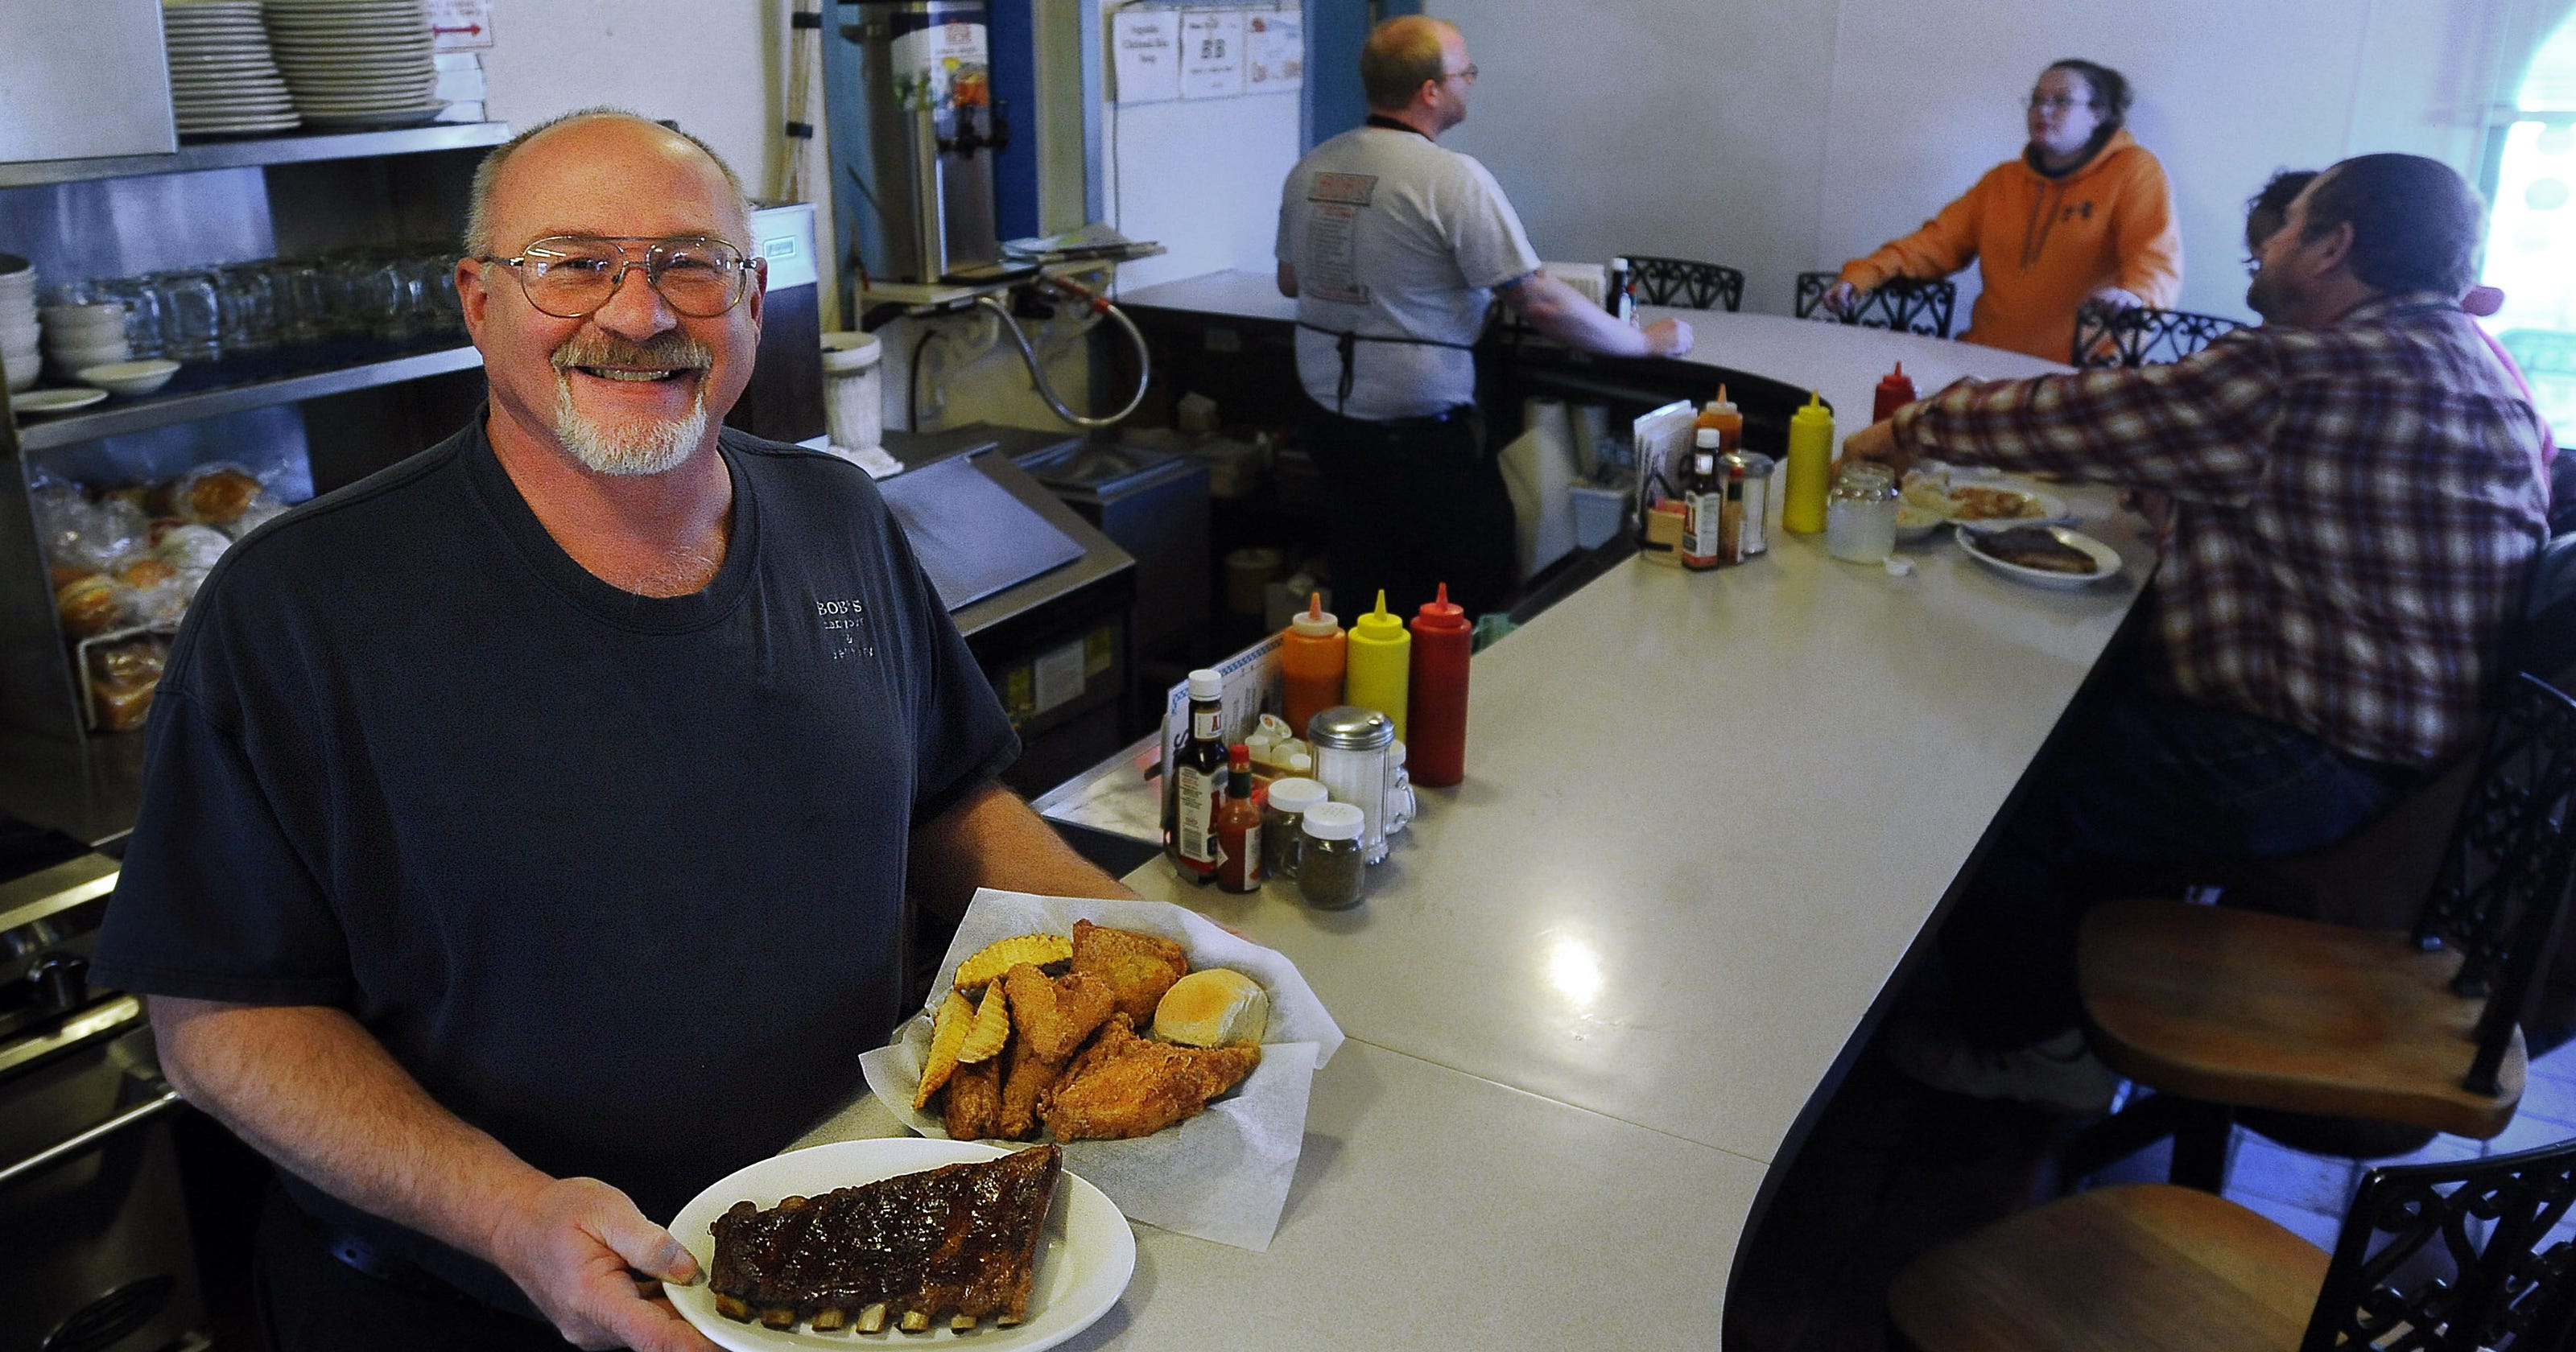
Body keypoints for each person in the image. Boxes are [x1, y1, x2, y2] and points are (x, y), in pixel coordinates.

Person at [90, 109, 1134, 1352]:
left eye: (691, 263)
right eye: (575, 263)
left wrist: (1144, 946)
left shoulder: (834, 517)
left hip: (841, 1257)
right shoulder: (299, 609)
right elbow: (217, 1022)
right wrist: (511, 1215)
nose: (639, 316)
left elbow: (947, 804)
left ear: (750, 298)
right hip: (462, 1305)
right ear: (479, 301)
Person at [1840, 153, 2550, 1114]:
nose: (2265, 250)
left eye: (2290, 227)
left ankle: (2036, 1049)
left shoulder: (2302, 369)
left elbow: (2083, 414)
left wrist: (1912, 427)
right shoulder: (2477, 365)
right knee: (2057, 698)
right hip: (2414, 776)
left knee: (1990, 778)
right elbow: (2314, 517)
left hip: (2305, 764)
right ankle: (2062, 971)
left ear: (2335, 245)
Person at [1274, 14, 1692, 620]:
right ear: (1430, 91)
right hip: (1420, 442)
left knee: (1365, 587)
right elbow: (1539, 301)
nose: (1471, 81)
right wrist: (1642, 343)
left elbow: (1292, 280)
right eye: (1464, 72)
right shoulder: (1450, 178)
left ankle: (1372, 705)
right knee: (1469, 586)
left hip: (1331, 429)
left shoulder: (1312, 167)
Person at [1822, 60, 2182, 364]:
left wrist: (2135, 296)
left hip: (2078, 376)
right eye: (2036, 100)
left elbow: (2156, 260)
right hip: (1986, 364)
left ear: (2099, 115)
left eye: (2061, 101)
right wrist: (1863, 275)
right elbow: (1934, 244)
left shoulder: (2134, 170)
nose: (2043, 111)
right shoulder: (2003, 181)